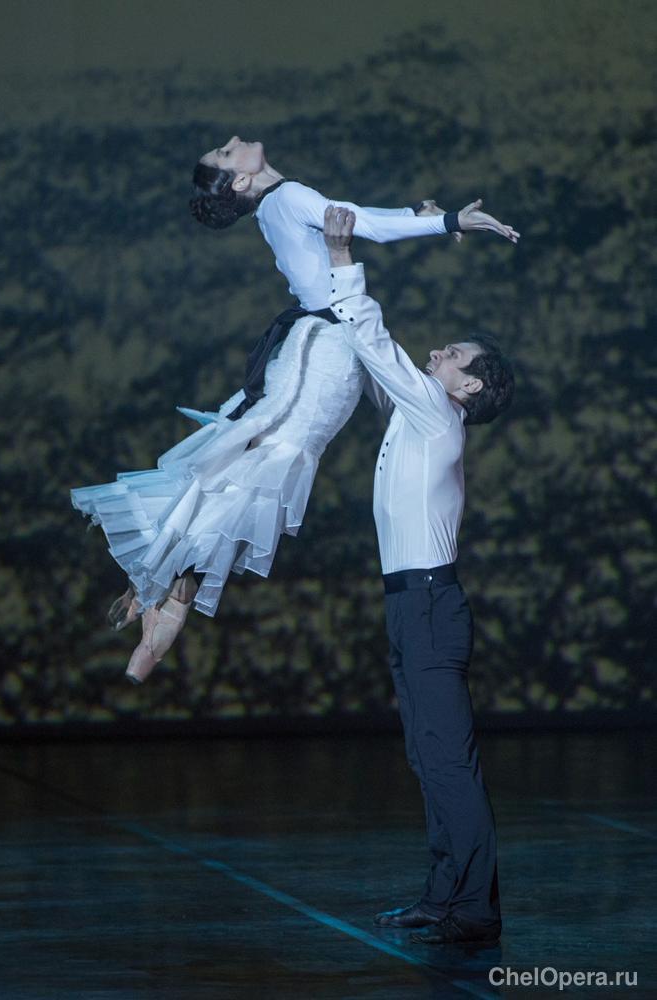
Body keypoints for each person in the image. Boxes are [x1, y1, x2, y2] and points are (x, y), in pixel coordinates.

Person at [71, 136, 519, 683]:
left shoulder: (275, 205)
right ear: (240, 180)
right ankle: (166, 591)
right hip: (325, 351)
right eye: (225, 154)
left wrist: (419, 218)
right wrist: (447, 221)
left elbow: (357, 220)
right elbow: (359, 223)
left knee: (246, 455)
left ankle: (163, 586)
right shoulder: (286, 198)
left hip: (323, 346)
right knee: (259, 456)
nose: (233, 142)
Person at [322, 205, 513, 945]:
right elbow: (369, 362)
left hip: (430, 605)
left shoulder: (436, 414)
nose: (439, 352)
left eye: (454, 354)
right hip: (411, 606)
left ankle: (474, 909)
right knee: (428, 758)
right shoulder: (421, 411)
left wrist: (343, 255)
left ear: (471, 387)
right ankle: (445, 896)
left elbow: (373, 340)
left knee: (447, 761)